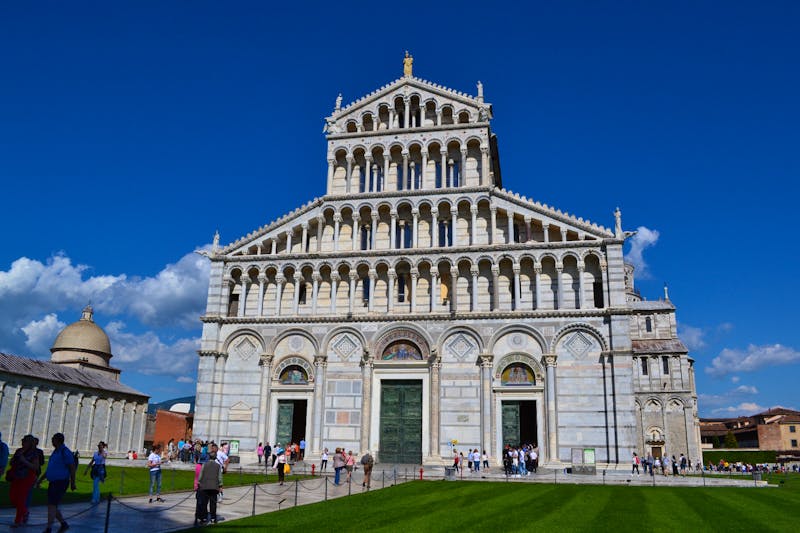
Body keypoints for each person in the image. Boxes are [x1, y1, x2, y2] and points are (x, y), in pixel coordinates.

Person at [36, 432, 76, 533]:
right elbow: (51, 468)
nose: (51, 440)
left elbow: (72, 468)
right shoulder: (55, 452)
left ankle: (49, 528)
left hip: (61, 482)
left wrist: (73, 483)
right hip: (53, 482)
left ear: (57, 440)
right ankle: (63, 524)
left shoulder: (65, 452)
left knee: (52, 504)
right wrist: (40, 479)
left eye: (53, 439)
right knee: (52, 505)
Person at [9, 434, 40, 527]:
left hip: (27, 478)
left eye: (25, 441)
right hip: (16, 476)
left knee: (21, 499)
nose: (22, 442)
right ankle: (25, 512)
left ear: (30, 443)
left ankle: (17, 521)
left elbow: (35, 467)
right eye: (22, 440)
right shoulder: (19, 451)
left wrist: (24, 461)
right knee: (12, 497)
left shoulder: (34, 454)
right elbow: (12, 462)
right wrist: (13, 461)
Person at [195, 444, 222, 525]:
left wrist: (199, 482)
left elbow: (201, 475)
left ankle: (203, 518)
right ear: (215, 458)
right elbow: (219, 477)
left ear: (209, 457)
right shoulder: (218, 466)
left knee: (204, 503)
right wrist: (220, 486)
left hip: (205, 486)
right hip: (214, 487)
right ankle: (213, 518)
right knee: (213, 503)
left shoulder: (204, 465)